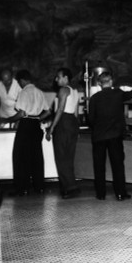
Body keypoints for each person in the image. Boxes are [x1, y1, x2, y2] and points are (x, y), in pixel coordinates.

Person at [88, 72, 132, 201]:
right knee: (117, 165)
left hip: (99, 136)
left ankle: (101, 193)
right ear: (111, 81)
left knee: (99, 166)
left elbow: (91, 119)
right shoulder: (118, 93)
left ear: (99, 84)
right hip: (115, 135)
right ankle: (120, 193)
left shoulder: (94, 98)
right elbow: (131, 94)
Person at [0, 70, 50, 195]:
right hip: (35, 126)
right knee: (37, 157)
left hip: (26, 126)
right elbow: (48, 111)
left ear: (22, 80)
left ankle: (22, 188)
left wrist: (7, 120)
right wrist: (38, 118)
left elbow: (21, 113)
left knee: (21, 157)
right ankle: (39, 187)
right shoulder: (39, 92)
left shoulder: (24, 92)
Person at [45, 68, 81, 199]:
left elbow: (60, 109)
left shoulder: (63, 90)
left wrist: (51, 128)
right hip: (72, 123)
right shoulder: (75, 92)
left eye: (58, 77)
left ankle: (69, 188)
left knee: (61, 158)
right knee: (68, 157)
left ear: (65, 78)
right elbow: (76, 113)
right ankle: (71, 186)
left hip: (63, 123)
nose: (56, 79)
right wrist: (76, 129)